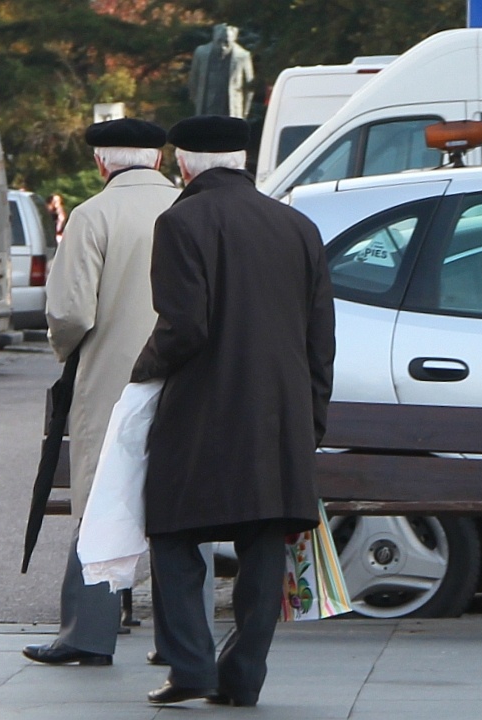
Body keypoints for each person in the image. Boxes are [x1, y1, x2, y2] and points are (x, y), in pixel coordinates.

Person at [134, 115, 335, 707]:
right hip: (281, 415)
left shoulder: (180, 221)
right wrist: (311, 418)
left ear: (183, 163)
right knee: (263, 541)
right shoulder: (297, 225)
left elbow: (184, 326)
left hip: (202, 411)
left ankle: (191, 665)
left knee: (172, 532)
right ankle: (243, 675)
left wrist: (141, 370)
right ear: (244, 160)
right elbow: (319, 337)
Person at [22, 119, 179, 667]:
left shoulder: (92, 217)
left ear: (100, 164)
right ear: (160, 160)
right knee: (187, 501)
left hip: (114, 381)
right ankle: (185, 639)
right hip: (189, 380)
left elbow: (68, 313)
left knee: (100, 500)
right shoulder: (191, 210)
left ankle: (87, 634)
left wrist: (70, 351)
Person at [188, 24, 254, 118]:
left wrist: (244, 112)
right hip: (206, 111)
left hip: (231, 112)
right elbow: (193, 82)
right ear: (214, 39)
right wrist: (198, 102)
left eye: (227, 43)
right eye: (219, 41)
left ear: (233, 41)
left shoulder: (243, 56)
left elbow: (249, 88)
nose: (223, 46)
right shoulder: (201, 53)